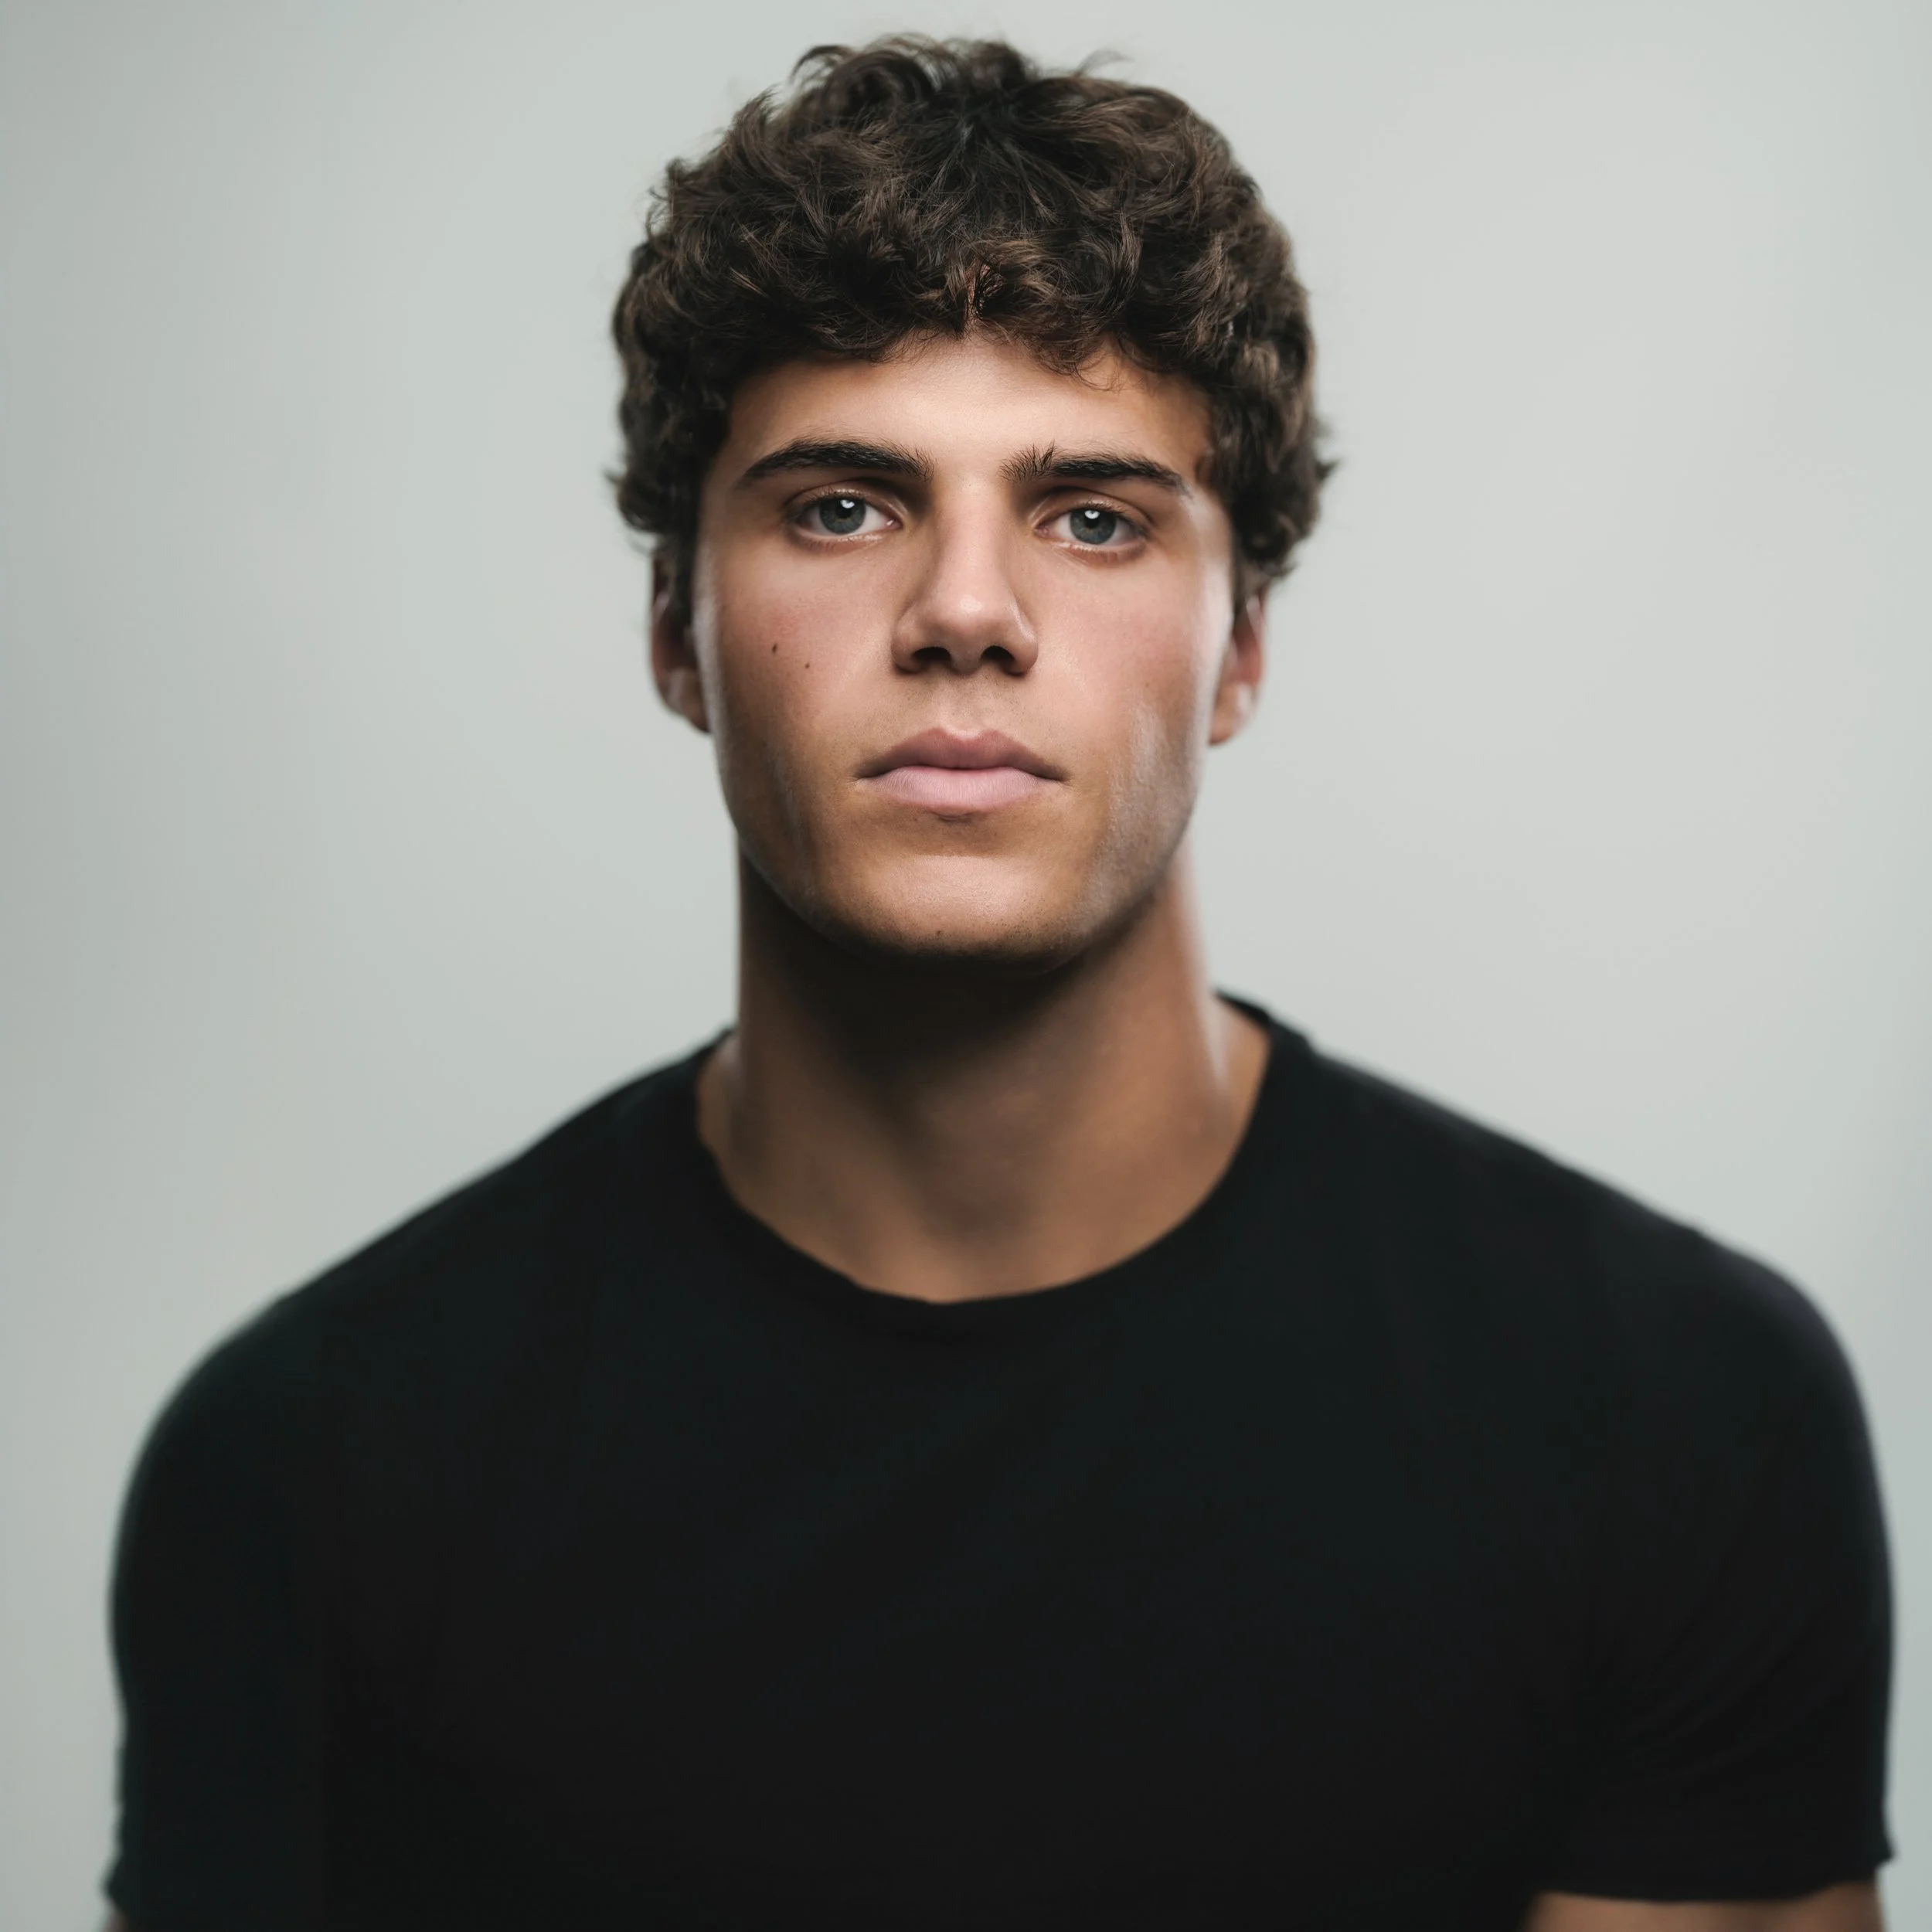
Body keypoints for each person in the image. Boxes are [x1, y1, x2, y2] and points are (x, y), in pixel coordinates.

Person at [103, 36, 1891, 1932]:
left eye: (1094, 515)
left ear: (1237, 651)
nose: (967, 610)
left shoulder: (1669, 1416)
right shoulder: (307, 1469)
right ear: (674, 633)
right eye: (845, 504)